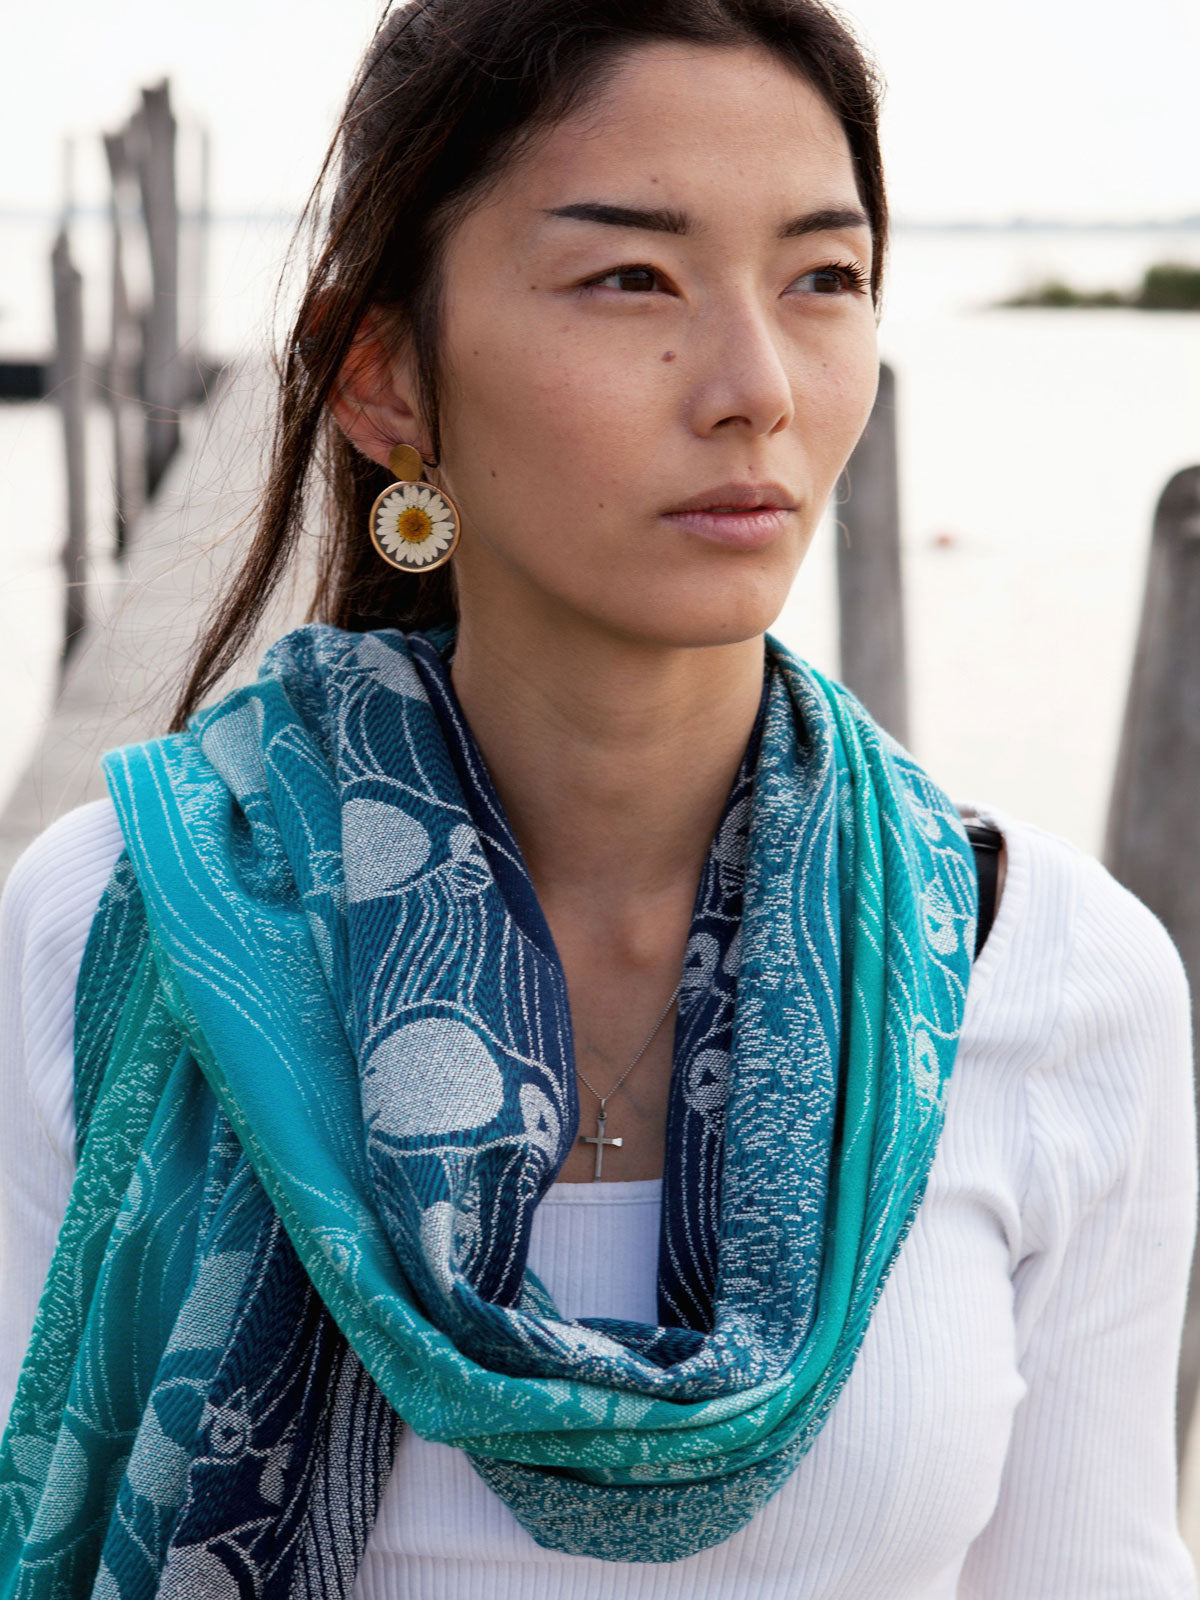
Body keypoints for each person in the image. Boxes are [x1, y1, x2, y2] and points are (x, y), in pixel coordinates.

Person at [0, 0, 1196, 1594]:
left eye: (823, 278)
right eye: (632, 275)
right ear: (384, 383)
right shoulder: (124, 926)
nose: (757, 385)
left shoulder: (1049, 974)